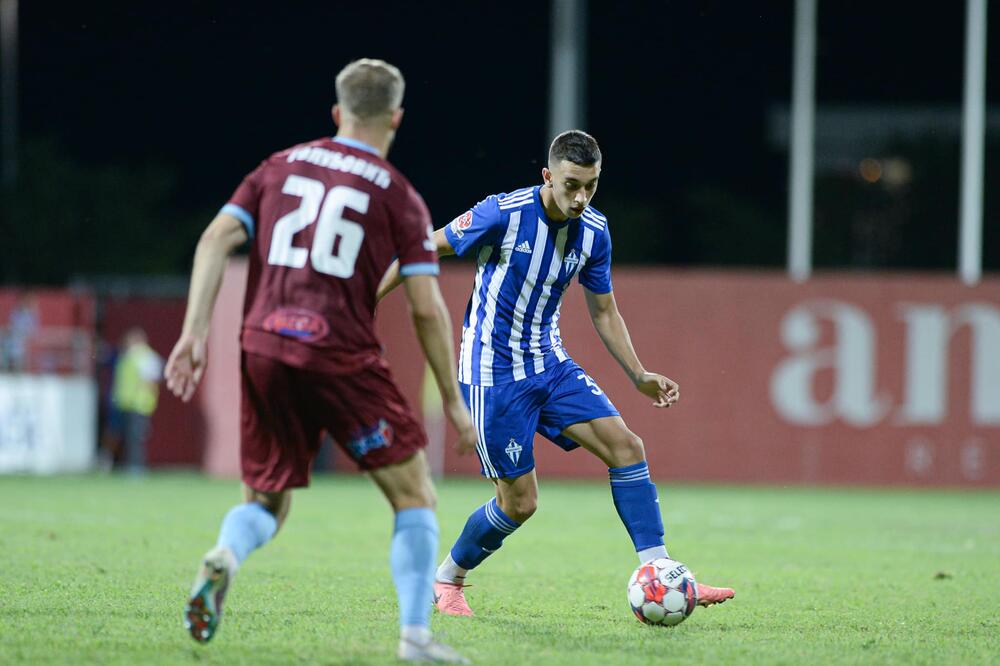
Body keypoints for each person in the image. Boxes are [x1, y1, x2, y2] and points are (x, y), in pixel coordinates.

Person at [164, 58, 476, 664]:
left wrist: (193, 333)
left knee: (264, 501)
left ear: (336, 113)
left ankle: (224, 556)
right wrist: (456, 403)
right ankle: (415, 638)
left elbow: (213, 240)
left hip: (262, 345)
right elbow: (427, 309)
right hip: (338, 351)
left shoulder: (278, 167)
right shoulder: (398, 196)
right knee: (415, 496)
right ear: (396, 117)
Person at [377, 130, 735, 617]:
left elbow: (604, 311)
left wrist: (638, 374)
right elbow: (423, 249)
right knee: (519, 504)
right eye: (571, 185)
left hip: (550, 363)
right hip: (493, 374)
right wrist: (365, 301)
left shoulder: (594, 230)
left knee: (627, 447)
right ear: (548, 176)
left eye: (590, 186)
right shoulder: (501, 214)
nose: (581, 197)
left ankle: (661, 572)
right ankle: (447, 579)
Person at [110, 327, 163, 473]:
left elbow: (151, 380)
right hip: (127, 403)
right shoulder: (130, 356)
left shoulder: (144, 357)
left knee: (136, 439)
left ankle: (136, 468)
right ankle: (129, 466)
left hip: (140, 404)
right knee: (127, 438)